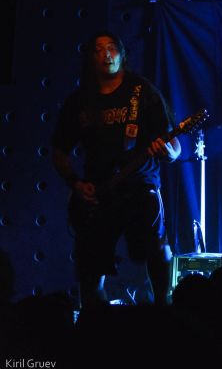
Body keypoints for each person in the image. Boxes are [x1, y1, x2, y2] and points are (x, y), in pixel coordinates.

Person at [52, 32, 181, 307]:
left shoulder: (142, 92)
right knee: (91, 267)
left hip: (140, 186)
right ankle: (94, 321)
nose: (106, 54)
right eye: (99, 49)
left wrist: (169, 153)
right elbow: (59, 151)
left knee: (157, 250)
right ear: (90, 58)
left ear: (122, 54)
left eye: (112, 48)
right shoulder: (81, 100)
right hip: (98, 192)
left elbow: (174, 146)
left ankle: (164, 311)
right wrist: (76, 183)